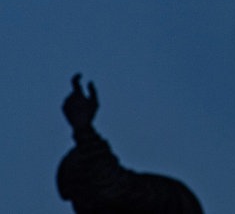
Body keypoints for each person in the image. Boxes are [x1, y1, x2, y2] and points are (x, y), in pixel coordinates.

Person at [57, 74, 203, 213]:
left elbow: (119, 189)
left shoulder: (162, 196)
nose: (79, 208)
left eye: (80, 197)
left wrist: (84, 130)